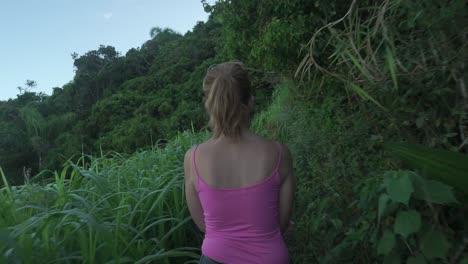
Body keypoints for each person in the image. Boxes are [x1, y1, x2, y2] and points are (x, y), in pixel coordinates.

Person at [184, 61, 295, 264]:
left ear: (210, 104)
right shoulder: (280, 154)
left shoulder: (193, 158)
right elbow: (281, 223)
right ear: (250, 101)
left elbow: (203, 225)